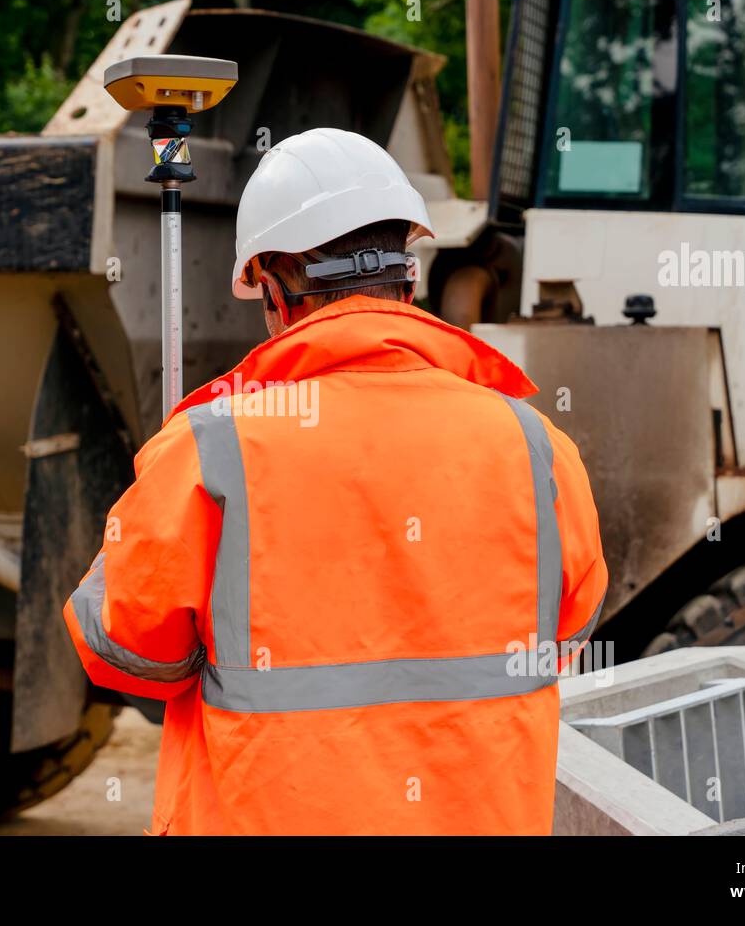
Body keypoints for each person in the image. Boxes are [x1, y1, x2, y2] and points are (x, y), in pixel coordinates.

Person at [63, 127, 607, 834]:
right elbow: (568, 627)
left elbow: (127, 649)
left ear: (276, 284)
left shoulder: (212, 449)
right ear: (407, 277)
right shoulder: (536, 445)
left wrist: (138, 527)